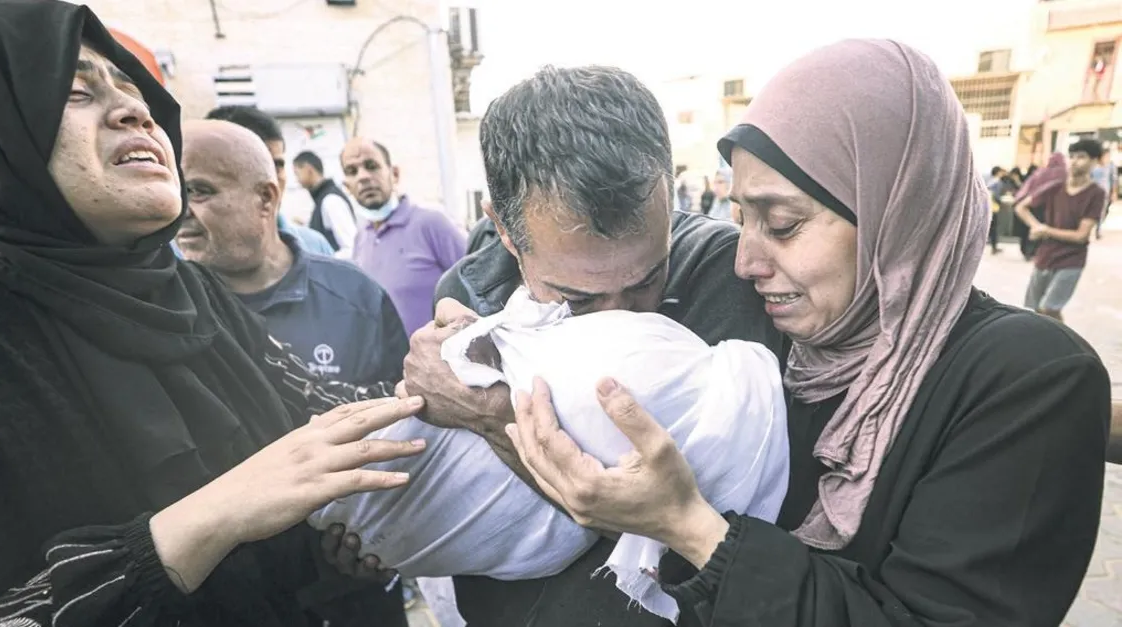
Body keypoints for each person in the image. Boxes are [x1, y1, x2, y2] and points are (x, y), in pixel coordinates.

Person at [504, 39, 1110, 627]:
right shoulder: (774, 340)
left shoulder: (1028, 381)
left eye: (783, 225)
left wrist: (689, 527)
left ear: (896, 211)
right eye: (741, 219)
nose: (746, 262)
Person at [0, 3, 423, 626]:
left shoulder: (193, 291)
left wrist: (454, 386)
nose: (136, 113)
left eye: (135, 91)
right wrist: (211, 518)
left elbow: (320, 422)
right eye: (75, 92)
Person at [399, 65, 784, 627]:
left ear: (667, 194)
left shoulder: (733, 278)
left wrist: (491, 413)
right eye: (579, 300)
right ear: (503, 229)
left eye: (649, 280)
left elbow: (704, 531)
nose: (621, 318)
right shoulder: (467, 294)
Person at [178, 121, 408, 386]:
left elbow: (403, 406)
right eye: (176, 191)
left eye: (198, 192)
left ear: (265, 198)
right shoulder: (164, 307)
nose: (180, 210)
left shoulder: (358, 298)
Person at [343, 138, 468, 336]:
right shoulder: (361, 240)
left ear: (394, 174)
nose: (363, 177)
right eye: (352, 171)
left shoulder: (431, 224)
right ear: (347, 186)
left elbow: (480, 286)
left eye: (371, 166)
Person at [205, 105, 336, 257]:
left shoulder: (315, 247)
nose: (270, 181)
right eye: (255, 166)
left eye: (277, 166)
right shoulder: (188, 256)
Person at [1015, 139, 1106, 322]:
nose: (1074, 161)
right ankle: (1043, 338)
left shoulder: (1096, 193)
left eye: (1081, 157)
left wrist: (1045, 230)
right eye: (1071, 156)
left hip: (1071, 259)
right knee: (1033, 310)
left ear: (1095, 161)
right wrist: (1035, 226)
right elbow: (1021, 207)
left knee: (1049, 308)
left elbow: (1081, 236)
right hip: (1045, 256)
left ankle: (1060, 339)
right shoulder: (1055, 187)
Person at [294, 150, 358, 256]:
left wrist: (324, 263)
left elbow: (351, 248)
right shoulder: (322, 199)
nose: (297, 180)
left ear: (308, 169)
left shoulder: (331, 200)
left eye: (297, 173)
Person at [1014, 153, 1067, 260]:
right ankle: (1035, 252)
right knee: (1041, 227)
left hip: (1030, 203)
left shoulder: (1040, 172)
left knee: (1028, 227)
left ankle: (1026, 251)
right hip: (1048, 207)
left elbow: (1027, 187)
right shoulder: (1063, 173)